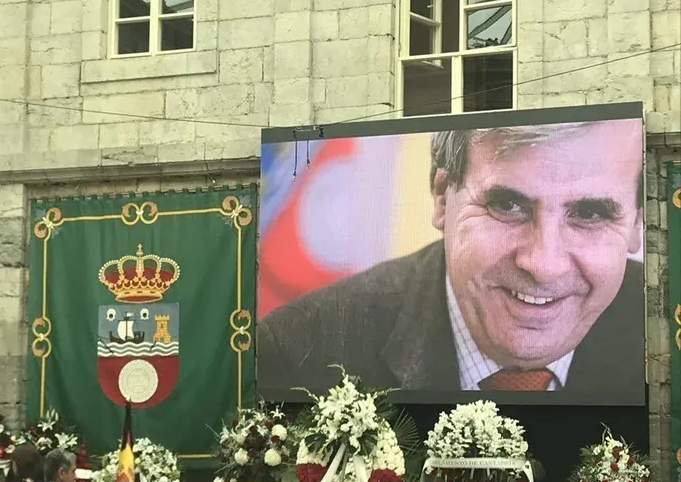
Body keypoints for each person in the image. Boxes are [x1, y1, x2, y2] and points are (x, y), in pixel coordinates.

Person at [259, 120, 645, 398]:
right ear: (443, 197)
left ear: (637, 222)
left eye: (589, 214)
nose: (543, 266)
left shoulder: (664, 346)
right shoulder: (296, 352)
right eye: (507, 205)